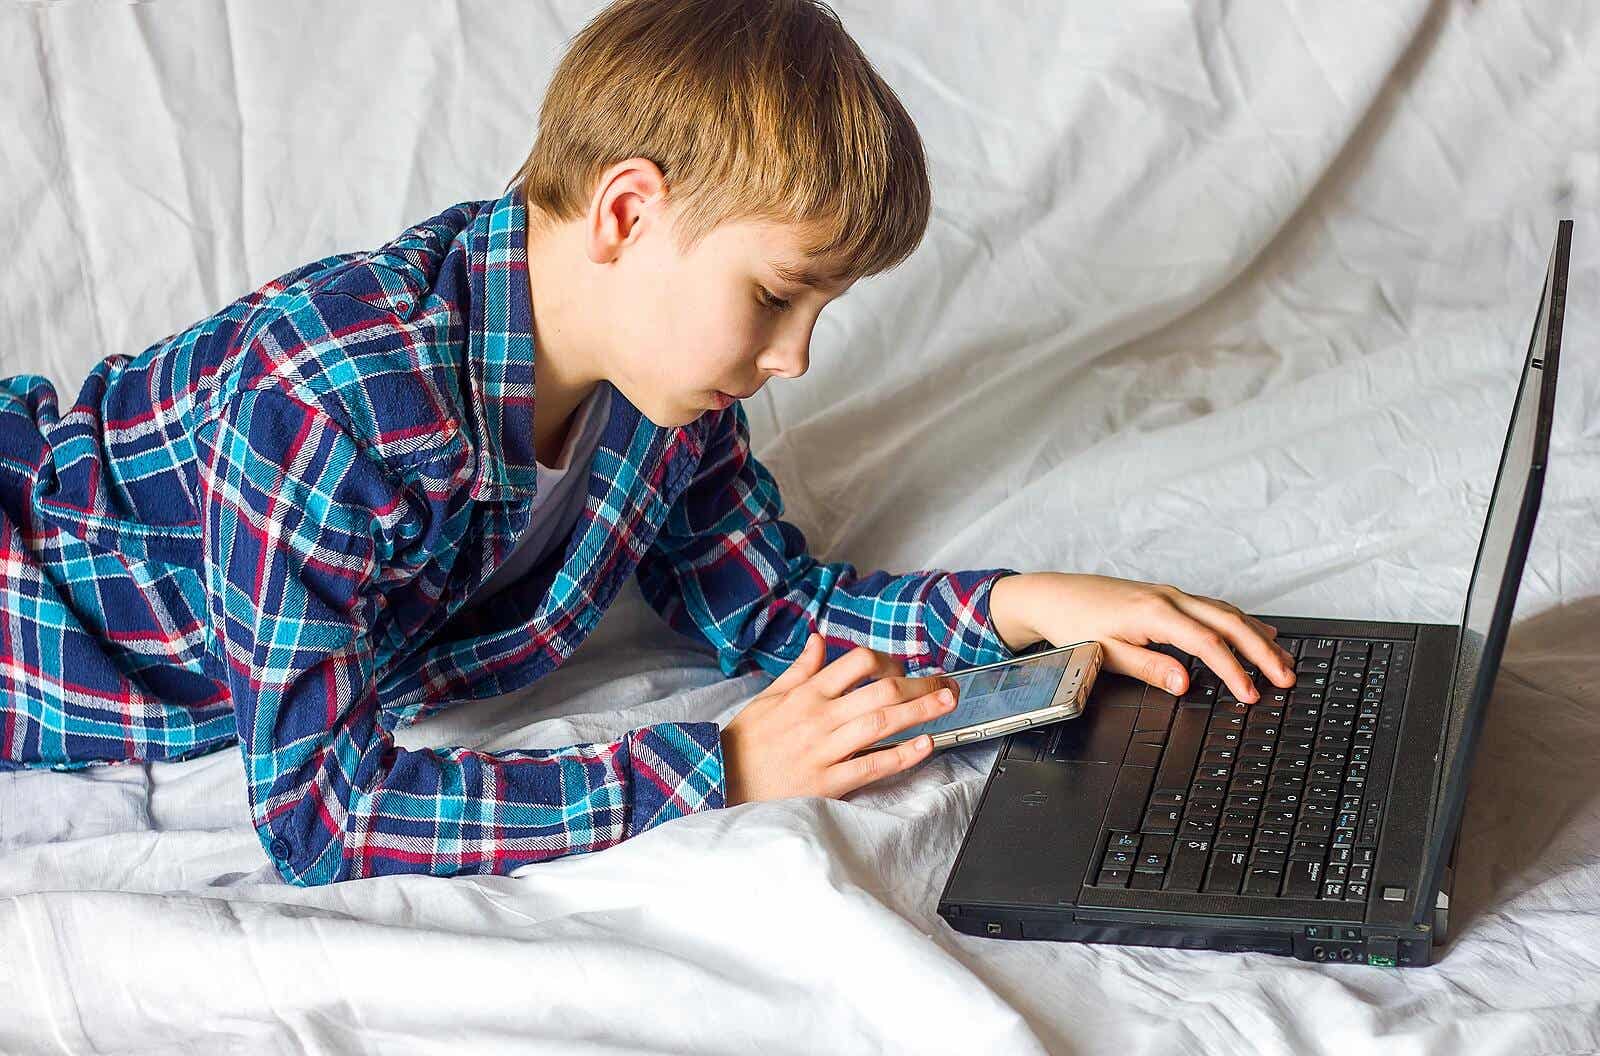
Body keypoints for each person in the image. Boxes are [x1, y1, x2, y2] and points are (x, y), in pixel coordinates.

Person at [0, 0, 1294, 886]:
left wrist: (1026, 605)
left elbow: (766, 606)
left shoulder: (663, 390)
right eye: (778, 295)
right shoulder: (334, 397)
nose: (793, 357)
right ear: (628, 208)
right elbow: (319, 816)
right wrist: (717, 763)